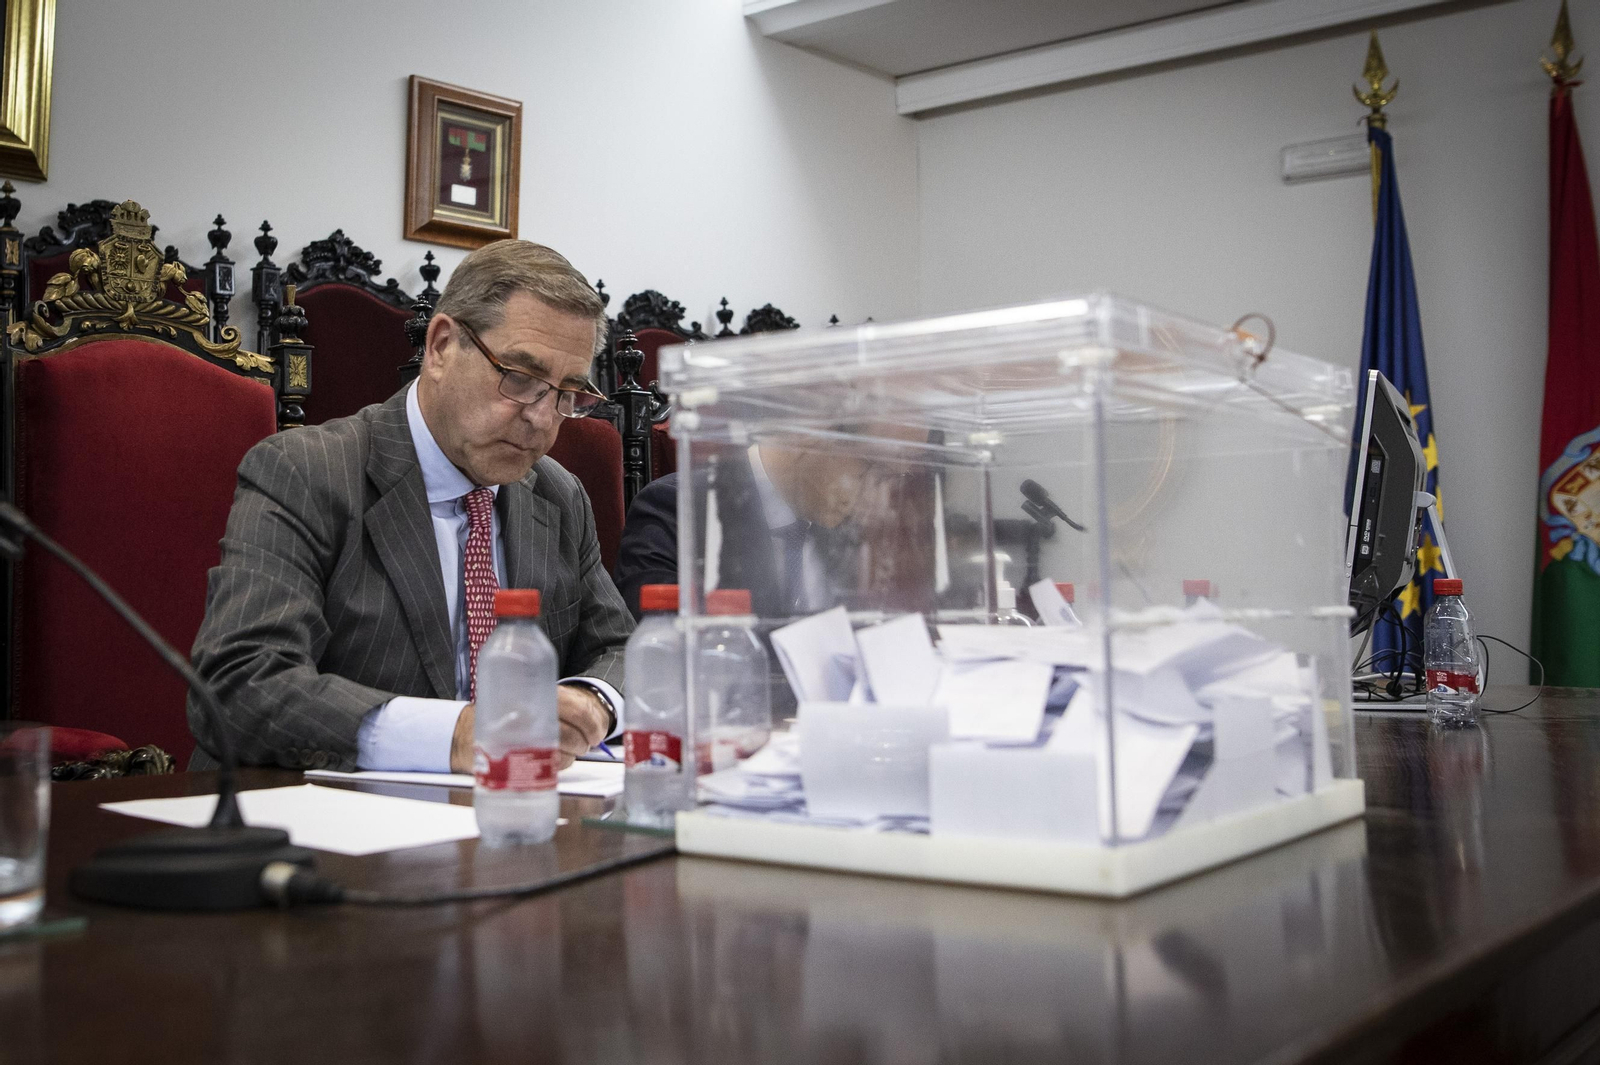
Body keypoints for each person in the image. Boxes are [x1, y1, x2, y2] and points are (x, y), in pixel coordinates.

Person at [188, 240, 633, 773]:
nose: (542, 418)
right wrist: (453, 734)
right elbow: (241, 685)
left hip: (510, 821)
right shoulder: (308, 471)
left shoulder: (558, 494)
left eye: (566, 393)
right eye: (519, 378)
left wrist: (592, 700)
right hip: (323, 824)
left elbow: (623, 649)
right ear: (442, 345)